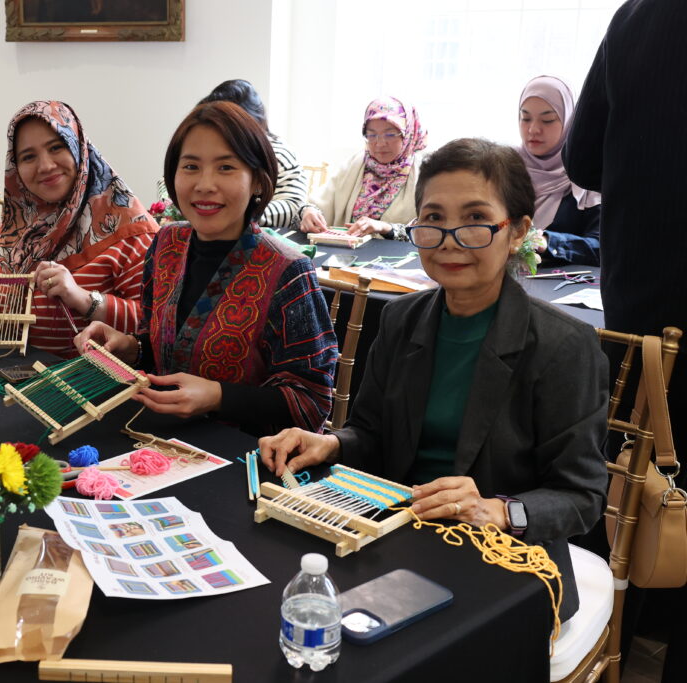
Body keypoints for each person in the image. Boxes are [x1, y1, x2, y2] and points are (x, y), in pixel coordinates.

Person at [261, 138, 608, 622]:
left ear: (517, 232)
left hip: (505, 562)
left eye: (474, 220)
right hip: (399, 533)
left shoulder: (563, 345)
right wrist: (331, 445)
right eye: (433, 219)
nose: (449, 238)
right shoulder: (403, 319)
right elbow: (373, 434)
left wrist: (498, 510)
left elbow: (582, 497)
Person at [74, 101, 338, 435]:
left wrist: (218, 396)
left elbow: (312, 403)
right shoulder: (167, 244)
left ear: (258, 180)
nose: (204, 184)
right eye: (191, 167)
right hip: (157, 440)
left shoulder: (288, 272)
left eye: (226, 168)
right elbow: (160, 350)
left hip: (246, 462)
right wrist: (130, 346)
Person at [564, 2, 687, 679]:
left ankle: (605, 644)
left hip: (642, 305)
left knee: (631, 487)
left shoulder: (641, 15)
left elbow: (582, 154)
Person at [0, 100, 157, 356]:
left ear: (78, 148)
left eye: (56, 147)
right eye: (28, 157)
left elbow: (157, 324)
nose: (45, 166)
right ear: (15, 168)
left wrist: (81, 298)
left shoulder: (132, 231)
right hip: (14, 381)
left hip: (89, 388)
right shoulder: (11, 234)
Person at [297, 96, 426, 239]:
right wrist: (308, 211)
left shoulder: (423, 173)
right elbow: (319, 203)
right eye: (371, 135)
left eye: (390, 134)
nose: (380, 143)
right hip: (345, 254)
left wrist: (385, 227)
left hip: (394, 258)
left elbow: (429, 231)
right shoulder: (356, 164)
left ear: (408, 134)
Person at [198, 79, 308, 227]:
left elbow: (293, 207)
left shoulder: (279, 154)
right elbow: (168, 181)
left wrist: (235, 214)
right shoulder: (204, 146)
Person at [516, 75, 601, 267]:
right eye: (525, 118)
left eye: (547, 120)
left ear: (570, 121)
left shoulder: (586, 175)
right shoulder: (504, 168)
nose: (533, 129)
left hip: (559, 291)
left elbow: (602, 247)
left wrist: (549, 242)